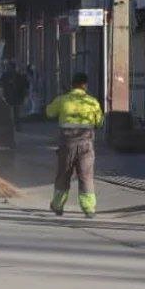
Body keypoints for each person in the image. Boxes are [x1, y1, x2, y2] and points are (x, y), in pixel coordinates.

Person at [46, 72, 104, 218]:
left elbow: (49, 112)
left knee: (63, 175)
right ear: (85, 85)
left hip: (67, 144)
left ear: (72, 84)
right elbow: (100, 123)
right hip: (86, 145)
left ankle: (58, 205)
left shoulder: (63, 100)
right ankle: (89, 208)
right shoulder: (92, 102)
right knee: (86, 175)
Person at [0, 61, 30, 130]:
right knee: (16, 113)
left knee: (9, 113)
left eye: (8, 67)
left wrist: (2, 95)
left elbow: (0, 85)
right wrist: (24, 96)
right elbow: (26, 86)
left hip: (9, 98)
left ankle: (12, 126)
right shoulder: (19, 75)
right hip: (17, 98)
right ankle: (16, 126)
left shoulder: (5, 75)